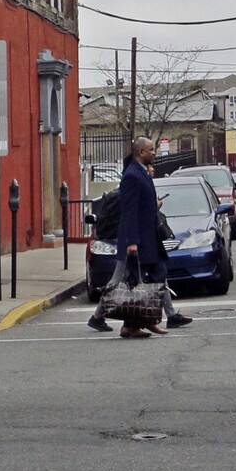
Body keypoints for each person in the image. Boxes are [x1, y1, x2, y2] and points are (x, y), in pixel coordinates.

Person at [87, 138, 190, 338]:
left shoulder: (142, 172)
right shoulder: (132, 176)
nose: (155, 152)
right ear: (141, 151)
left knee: (157, 274)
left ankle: (164, 316)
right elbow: (129, 212)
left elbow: (143, 205)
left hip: (147, 239)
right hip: (136, 241)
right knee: (126, 281)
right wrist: (132, 243)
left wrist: (154, 206)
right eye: (151, 149)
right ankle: (114, 319)